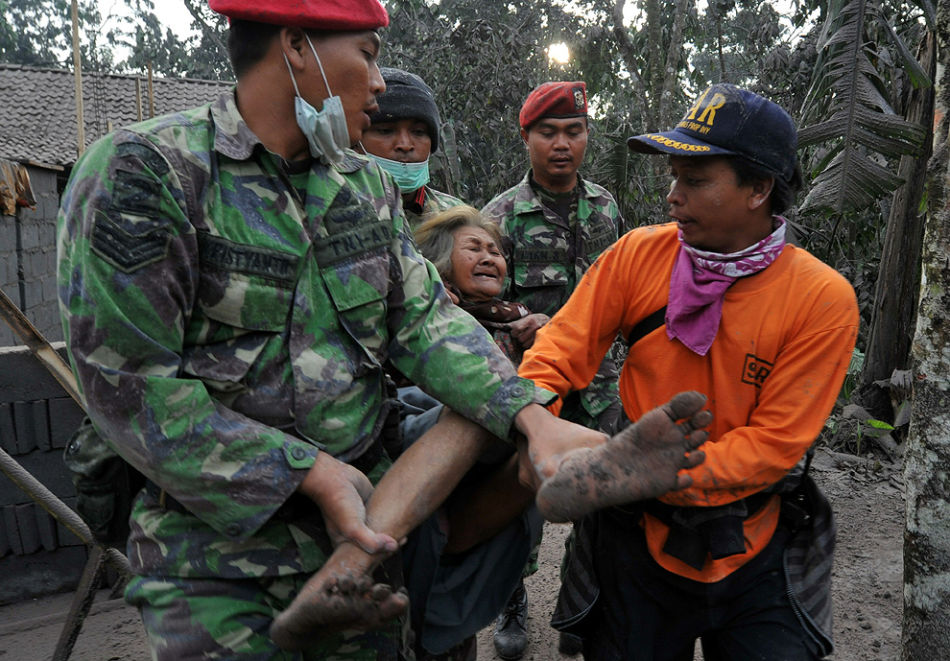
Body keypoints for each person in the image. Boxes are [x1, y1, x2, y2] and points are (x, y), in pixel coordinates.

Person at [55, 1, 711, 659]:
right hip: (221, 566)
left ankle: (559, 456)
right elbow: (130, 388)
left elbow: (425, 322)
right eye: (367, 55)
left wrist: (530, 417)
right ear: (294, 46)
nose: (377, 80)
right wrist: (310, 472)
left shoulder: (360, 186)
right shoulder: (148, 172)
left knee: (495, 414)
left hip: (365, 554)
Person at [519, 83, 860, 660]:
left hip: (755, 546)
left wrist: (647, 471)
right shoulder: (637, 257)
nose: (673, 198)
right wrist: (533, 426)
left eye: (695, 181)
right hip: (635, 539)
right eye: (674, 178)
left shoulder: (821, 298)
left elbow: (775, 444)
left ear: (759, 189)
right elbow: (557, 353)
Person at [482, 80, 624, 659]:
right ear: (527, 138)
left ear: (587, 136)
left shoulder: (606, 207)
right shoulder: (502, 216)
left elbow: (617, 288)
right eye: (548, 132)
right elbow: (479, 299)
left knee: (603, 490)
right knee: (526, 488)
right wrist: (521, 322)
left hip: (603, 378)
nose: (562, 144)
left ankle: (580, 604)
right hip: (535, 378)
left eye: (574, 131)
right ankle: (512, 598)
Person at [360, 67, 463, 228]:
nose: (405, 145)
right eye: (386, 131)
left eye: (418, 132)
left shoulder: (456, 219)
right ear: (356, 139)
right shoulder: (332, 210)